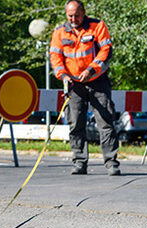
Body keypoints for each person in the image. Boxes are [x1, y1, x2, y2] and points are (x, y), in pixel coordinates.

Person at [50, 0, 121, 175]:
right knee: (75, 123)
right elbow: (55, 58)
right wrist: (63, 76)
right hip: (74, 84)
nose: (73, 19)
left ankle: (111, 163)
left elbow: (106, 50)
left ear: (84, 13)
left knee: (105, 121)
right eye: (70, 15)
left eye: (76, 15)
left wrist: (91, 69)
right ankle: (79, 162)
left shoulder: (97, 26)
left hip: (97, 81)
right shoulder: (59, 32)